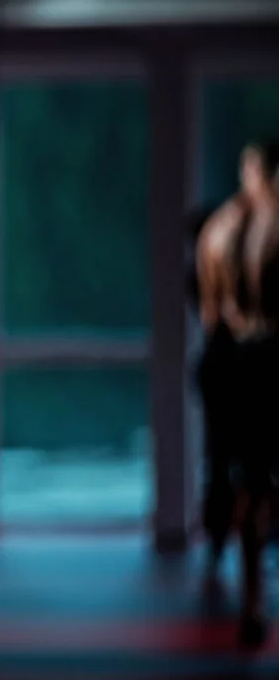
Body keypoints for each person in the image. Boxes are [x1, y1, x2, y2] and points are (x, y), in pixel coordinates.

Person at [195, 140, 279, 647]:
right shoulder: (266, 226)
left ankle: (247, 593)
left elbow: (210, 315)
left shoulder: (219, 228)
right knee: (255, 482)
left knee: (237, 474)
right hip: (263, 361)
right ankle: (251, 598)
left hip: (230, 362)